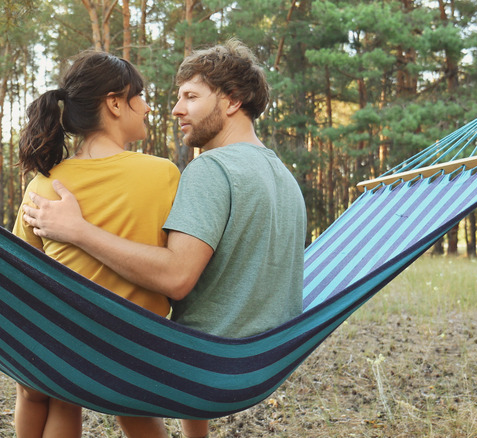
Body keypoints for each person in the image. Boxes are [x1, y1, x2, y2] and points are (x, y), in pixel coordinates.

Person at [21, 39, 307, 438]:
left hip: (204, 362)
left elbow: (177, 279)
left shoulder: (210, 171)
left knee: (97, 365)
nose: (175, 109)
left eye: (190, 96)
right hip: (264, 359)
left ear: (232, 101)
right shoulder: (284, 177)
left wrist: (79, 230)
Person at [11, 51, 179, 438]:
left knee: (57, 392)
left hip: (63, 346)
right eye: (141, 96)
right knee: (130, 402)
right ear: (115, 103)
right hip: (134, 348)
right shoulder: (163, 175)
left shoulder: (43, 185)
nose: (149, 107)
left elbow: (23, 269)